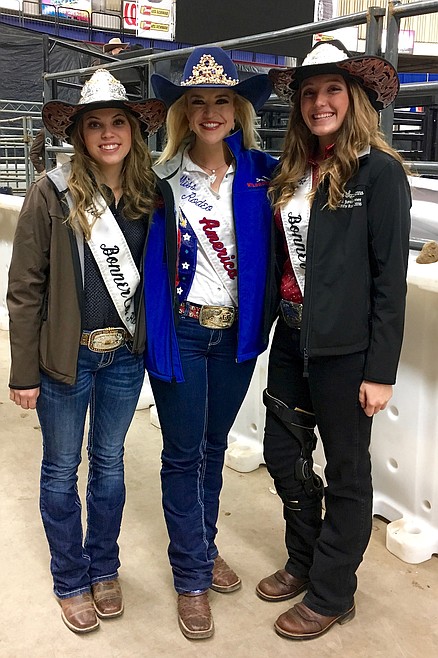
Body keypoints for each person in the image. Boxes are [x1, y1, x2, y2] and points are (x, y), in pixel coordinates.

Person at [255, 40, 411, 640]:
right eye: (310, 92)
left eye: (333, 90)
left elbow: (389, 280)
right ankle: (304, 559)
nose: (320, 102)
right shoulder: (293, 172)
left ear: (356, 98)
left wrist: (381, 370)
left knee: (346, 471)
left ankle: (332, 591)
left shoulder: (380, 173)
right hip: (292, 338)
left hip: (347, 353)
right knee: (283, 455)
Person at [7, 69, 166, 634]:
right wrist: (23, 371)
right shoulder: (51, 192)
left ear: (134, 130)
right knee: (59, 469)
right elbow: (24, 287)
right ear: (79, 134)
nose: (108, 133)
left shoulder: (151, 194)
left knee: (110, 465)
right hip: (64, 359)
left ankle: (104, 567)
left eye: (118, 122)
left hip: (123, 357)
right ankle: (70, 577)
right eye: (94, 124)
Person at [145, 46, 278, 640]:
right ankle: (191, 575)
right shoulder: (158, 179)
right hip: (181, 331)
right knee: (182, 452)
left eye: (222, 100)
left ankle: (203, 544)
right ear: (182, 112)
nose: (209, 112)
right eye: (196, 101)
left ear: (238, 109)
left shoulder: (264, 173)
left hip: (235, 337)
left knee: (213, 445)